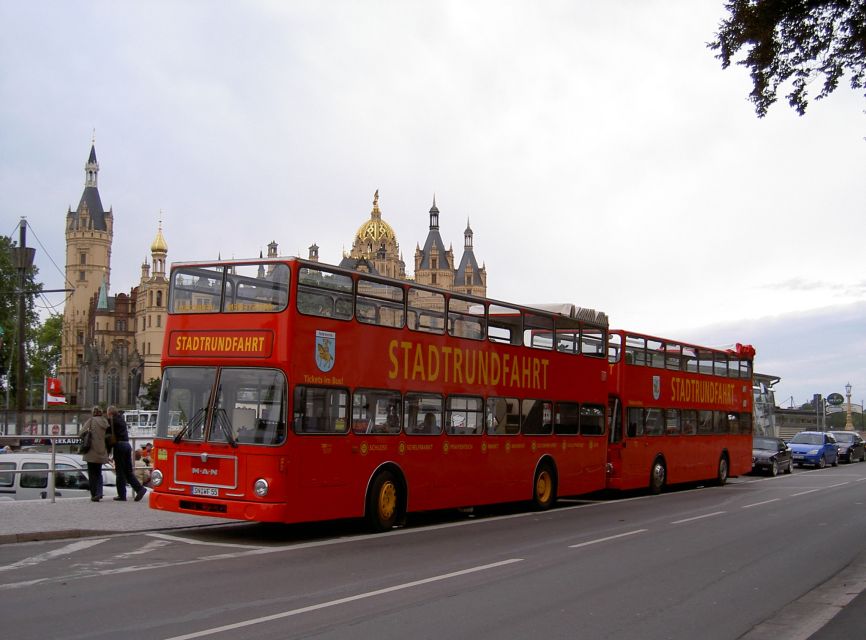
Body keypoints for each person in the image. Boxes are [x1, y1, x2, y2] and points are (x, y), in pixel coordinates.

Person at [106, 406, 147, 502]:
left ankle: (122, 495)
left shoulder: (112, 421)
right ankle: (140, 489)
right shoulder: (121, 420)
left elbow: (107, 434)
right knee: (128, 471)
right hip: (127, 445)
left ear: (110, 414)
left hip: (119, 446)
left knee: (120, 471)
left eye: (108, 414)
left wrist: (107, 452)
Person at [80, 406, 110, 502]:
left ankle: (94, 494)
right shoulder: (105, 422)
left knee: (92, 474)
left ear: (93, 412)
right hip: (102, 450)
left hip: (92, 450)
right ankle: (99, 492)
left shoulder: (91, 421)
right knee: (99, 473)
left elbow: (81, 433)